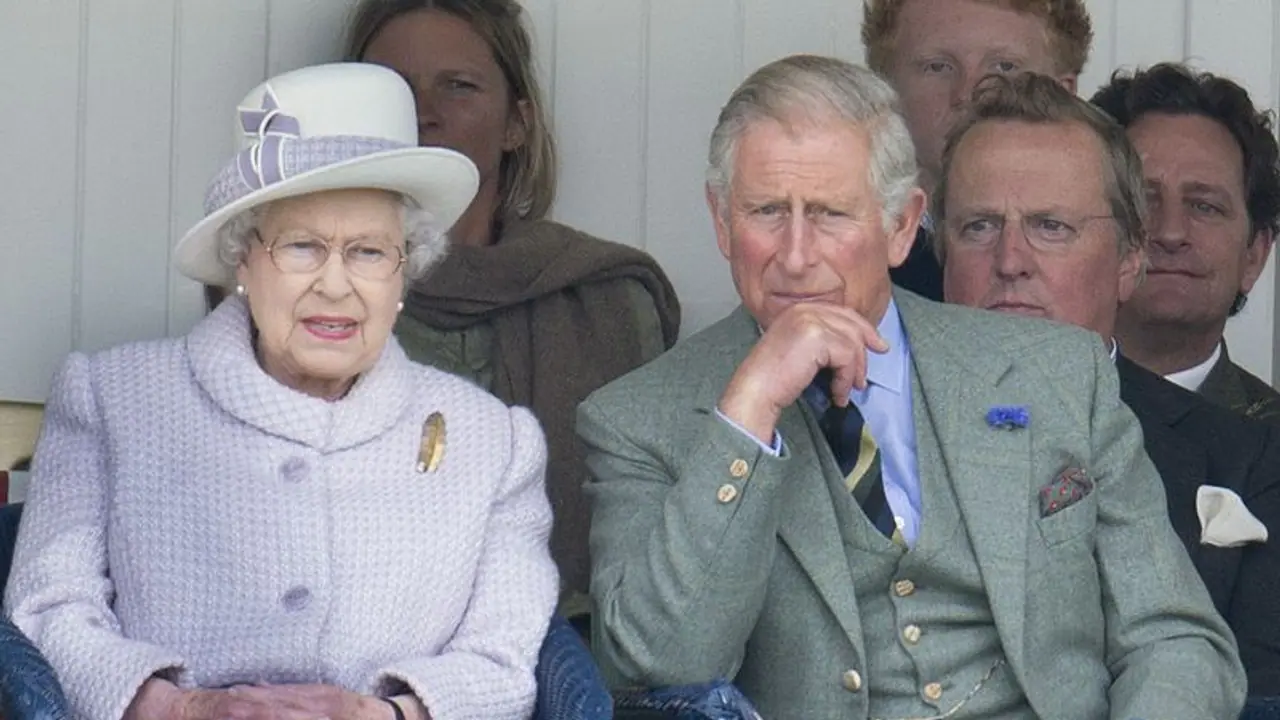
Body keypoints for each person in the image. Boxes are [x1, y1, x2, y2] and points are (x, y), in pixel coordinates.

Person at [579, 53, 1244, 720]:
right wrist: (749, 413)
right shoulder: (637, 419)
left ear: (901, 226)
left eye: (832, 214)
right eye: (767, 211)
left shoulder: (1058, 372)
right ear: (722, 220)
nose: (797, 254)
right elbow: (657, 669)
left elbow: (1173, 635)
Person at [4, 63, 557, 720]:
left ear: (406, 270)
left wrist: (385, 715)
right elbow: (47, 609)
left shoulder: (492, 440)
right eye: (302, 247)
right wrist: (181, 709)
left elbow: (506, 658)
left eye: (369, 253)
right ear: (243, 260)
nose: (335, 284)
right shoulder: (111, 399)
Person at [939, 71, 1280, 695]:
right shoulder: (853, 414)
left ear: (1130, 257)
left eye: (1052, 226)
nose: (1011, 260)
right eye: (979, 226)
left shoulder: (1249, 452)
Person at [343, 0, 681, 617]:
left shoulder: (605, 297)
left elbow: (658, 549)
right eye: (391, 89)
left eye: (460, 87)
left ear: (515, 124)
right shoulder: (294, 299)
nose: (423, 113)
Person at [861, 0, 1093, 300]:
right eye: (938, 67)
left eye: (1003, 67)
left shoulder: (1109, 246)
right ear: (885, 89)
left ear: (1063, 92)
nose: (968, 95)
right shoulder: (839, 252)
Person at [1090, 64, 1280, 423]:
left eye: (1204, 206)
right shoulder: (1011, 413)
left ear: (1254, 255)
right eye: (1143, 201)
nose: (1171, 233)